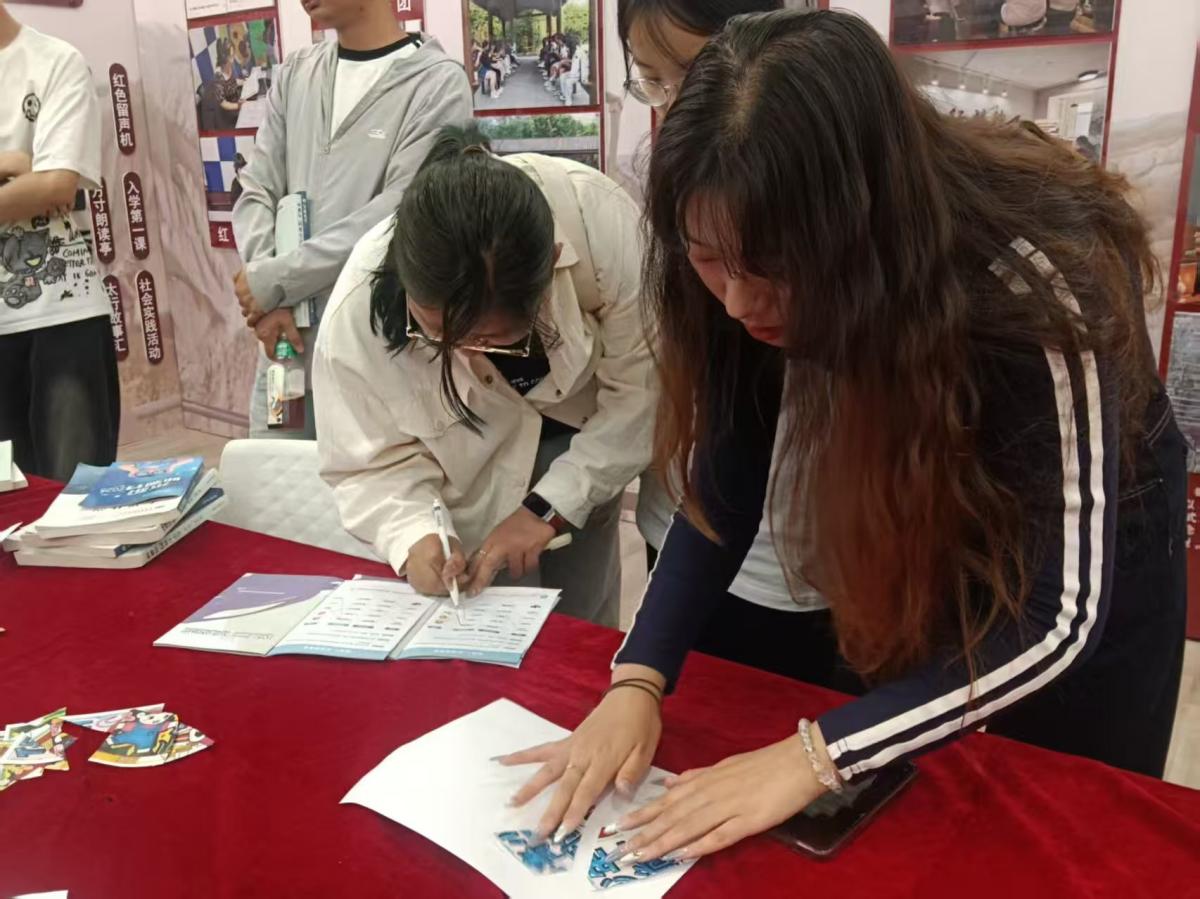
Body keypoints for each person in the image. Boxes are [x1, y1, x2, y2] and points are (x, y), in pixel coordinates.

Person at [500, 10, 1186, 865]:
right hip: (926, 477)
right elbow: (728, 473)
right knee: (909, 771)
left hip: (1080, 524)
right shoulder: (732, 227)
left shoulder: (1032, 279)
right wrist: (638, 678)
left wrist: (813, 756)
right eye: (710, 260)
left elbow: (1059, 615)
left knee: (1060, 816)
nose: (739, 303)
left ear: (863, 228)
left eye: (774, 271)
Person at [312, 125, 655, 628]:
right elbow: (366, 460)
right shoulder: (355, 312)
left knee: (583, 623)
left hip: (587, 437)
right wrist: (414, 534)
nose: (465, 351)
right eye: (437, 334)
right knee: (484, 630)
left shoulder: (599, 223)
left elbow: (643, 392)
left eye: (494, 338)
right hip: (460, 477)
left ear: (551, 268)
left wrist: (550, 507)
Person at [619, 0, 851, 692]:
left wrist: (822, 747)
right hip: (724, 548)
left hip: (850, 567)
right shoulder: (706, 203)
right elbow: (732, 443)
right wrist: (638, 676)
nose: (675, 108)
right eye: (652, 81)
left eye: (693, 73)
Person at [232, 0, 471, 439]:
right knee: (273, 466)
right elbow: (257, 187)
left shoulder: (437, 82)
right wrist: (269, 297)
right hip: (283, 345)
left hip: (374, 352)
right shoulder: (296, 74)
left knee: (369, 476)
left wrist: (276, 280)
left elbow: (401, 210)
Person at [0, 2, 120, 482]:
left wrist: (40, 177)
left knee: (76, 496)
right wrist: (16, 164)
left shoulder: (55, 61)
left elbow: (54, 186)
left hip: (59, 315)